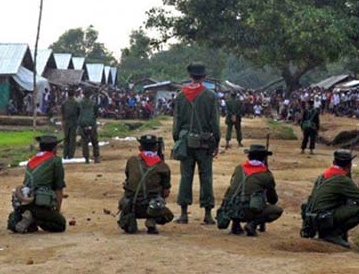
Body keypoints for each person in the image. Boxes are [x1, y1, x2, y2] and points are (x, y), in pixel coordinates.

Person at [301, 150, 359, 248]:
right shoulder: (342, 180)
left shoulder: (322, 176)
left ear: (334, 162)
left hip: (311, 218)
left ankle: (325, 232)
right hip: (324, 219)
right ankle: (332, 235)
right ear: (349, 165)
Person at [173, 63, 220, 225]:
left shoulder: (180, 96)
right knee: (206, 177)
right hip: (205, 142)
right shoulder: (211, 96)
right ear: (204, 77)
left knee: (186, 176)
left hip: (185, 140)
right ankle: (207, 214)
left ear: (190, 76)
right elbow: (215, 123)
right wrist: (217, 142)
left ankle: (184, 214)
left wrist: (177, 140)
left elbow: (176, 123)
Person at [218, 145, 283, 237]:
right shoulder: (266, 174)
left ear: (249, 156)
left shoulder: (239, 168)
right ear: (264, 158)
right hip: (249, 212)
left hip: (231, 210)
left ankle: (236, 225)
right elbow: (273, 200)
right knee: (276, 210)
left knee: (238, 196)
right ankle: (252, 224)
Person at [8, 135, 67, 233]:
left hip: (25, 201)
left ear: (40, 147)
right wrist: (57, 211)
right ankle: (33, 218)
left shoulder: (31, 161)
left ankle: (24, 220)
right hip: (40, 203)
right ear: (54, 148)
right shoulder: (55, 161)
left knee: (13, 224)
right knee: (60, 224)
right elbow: (58, 188)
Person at [117, 135, 173, 234]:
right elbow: (166, 192)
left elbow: (128, 178)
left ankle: (130, 218)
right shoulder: (162, 166)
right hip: (152, 207)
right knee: (168, 215)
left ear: (140, 148)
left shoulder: (132, 161)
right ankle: (152, 220)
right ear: (156, 148)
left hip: (131, 205)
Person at [78, 89, 100, 164]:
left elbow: (77, 113)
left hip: (82, 124)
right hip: (92, 123)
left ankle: (86, 159)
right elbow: (97, 113)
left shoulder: (79, 103)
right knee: (94, 141)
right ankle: (96, 158)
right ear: (90, 94)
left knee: (84, 142)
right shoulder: (93, 103)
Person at [61, 89, 80, 159]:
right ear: (74, 94)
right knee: (72, 139)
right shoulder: (76, 103)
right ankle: (70, 155)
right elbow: (79, 112)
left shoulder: (64, 102)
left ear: (67, 94)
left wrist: (63, 120)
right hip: (74, 123)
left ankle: (65, 154)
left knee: (66, 139)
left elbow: (62, 112)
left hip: (66, 122)